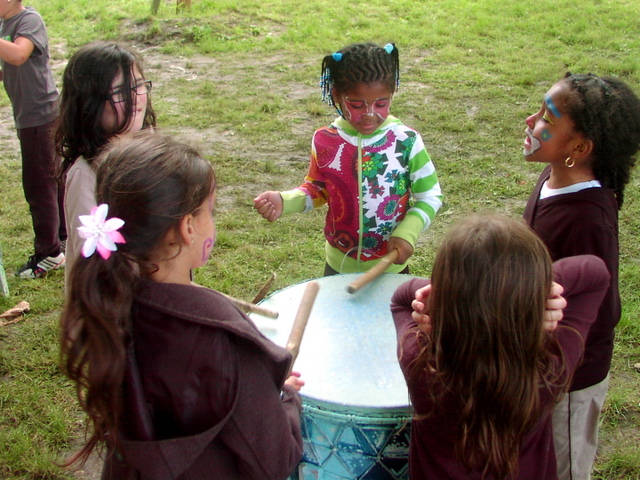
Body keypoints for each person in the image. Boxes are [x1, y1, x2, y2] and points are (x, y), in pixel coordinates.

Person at [59, 133, 304, 479]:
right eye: (211, 211)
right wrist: (285, 398)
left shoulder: (110, 304)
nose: (213, 222)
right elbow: (275, 460)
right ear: (188, 227)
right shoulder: (224, 339)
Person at [390, 215, 610, 480]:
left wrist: (443, 294)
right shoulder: (551, 366)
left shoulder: (421, 363)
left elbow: (401, 299)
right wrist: (531, 292)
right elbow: (595, 273)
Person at [522, 73, 640, 479]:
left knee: (564, 465)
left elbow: (601, 311)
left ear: (579, 148)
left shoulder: (590, 218)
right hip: (538, 364)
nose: (530, 120)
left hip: (570, 377)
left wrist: (557, 358)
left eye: (546, 119)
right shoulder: (553, 176)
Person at [254, 42, 442, 276]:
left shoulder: (406, 141)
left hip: (391, 268)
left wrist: (408, 232)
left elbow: (430, 196)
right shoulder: (325, 140)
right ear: (337, 95)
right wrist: (286, 201)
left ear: (392, 94)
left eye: (381, 103)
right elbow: (318, 188)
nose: (370, 114)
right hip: (338, 266)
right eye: (356, 104)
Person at [55, 41, 157, 290]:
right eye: (120, 91)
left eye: (138, 85)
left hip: (155, 297)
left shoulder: (152, 151)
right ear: (90, 103)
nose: (135, 98)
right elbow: (91, 260)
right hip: (110, 308)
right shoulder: (86, 174)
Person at [0, 0, 66, 279]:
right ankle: (64, 239)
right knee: (54, 178)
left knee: (39, 186)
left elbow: (18, 55)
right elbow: (10, 67)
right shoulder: (5, 25)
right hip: (29, 114)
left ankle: (49, 252)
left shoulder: (29, 20)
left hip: (40, 115)